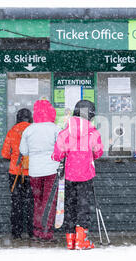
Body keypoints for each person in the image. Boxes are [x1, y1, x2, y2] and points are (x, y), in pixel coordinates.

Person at [52, 100, 104, 250]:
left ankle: (71, 240)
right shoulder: (93, 133)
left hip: (69, 175)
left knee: (69, 206)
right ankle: (82, 240)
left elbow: (57, 154)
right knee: (84, 206)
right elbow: (98, 152)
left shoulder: (65, 132)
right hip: (86, 175)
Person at [20, 99, 61, 242]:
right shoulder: (55, 128)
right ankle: (47, 232)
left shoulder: (29, 129)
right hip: (51, 169)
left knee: (37, 201)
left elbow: (23, 151)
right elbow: (61, 149)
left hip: (34, 171)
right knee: (49, 202)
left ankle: (37, 231)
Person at [1, 108, 33, 240]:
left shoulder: (12, 131)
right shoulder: (33, 130)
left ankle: (16, 232)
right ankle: (32, 231)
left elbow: (4, 153)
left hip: (15, 172)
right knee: (32, 203)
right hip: (32, 171)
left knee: (16, 203)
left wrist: (14, 157)